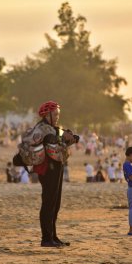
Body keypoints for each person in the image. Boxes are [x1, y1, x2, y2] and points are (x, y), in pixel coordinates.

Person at [33, 101, 78, 247]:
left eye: (58, 114)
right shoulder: (42, 128)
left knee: (55, 204)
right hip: (48, 170)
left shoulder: (52, 128)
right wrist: (64, 138)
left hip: (56, 168)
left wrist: (69, 139)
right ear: (47, 114)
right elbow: (52, 145)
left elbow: (59, 144)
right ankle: (46, 239)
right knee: (48, 204)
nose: (57, 117)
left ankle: (53, 236)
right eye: (55, 114)